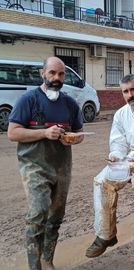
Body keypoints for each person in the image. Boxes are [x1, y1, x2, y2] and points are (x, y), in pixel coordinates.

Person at [7, 57, 84, 270]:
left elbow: (79, 133)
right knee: (38, 211)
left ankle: (47, 259)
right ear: (43, 73)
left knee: (56, 215)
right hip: (34, 166)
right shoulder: (28, 100)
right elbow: (12, 133)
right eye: (52, 73)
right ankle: (35, 265)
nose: (56, 78)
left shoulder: (69, 103)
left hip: (62, 166)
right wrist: (44, 132)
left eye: (61, 74)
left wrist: (74, 138)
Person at [85, 74, 134, 264]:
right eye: (126, 91)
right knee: (101, 180)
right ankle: (106, 234)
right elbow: (118, 143)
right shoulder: (121, 114)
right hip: (128, 159)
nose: (130, 95)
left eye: (133, 90)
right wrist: (116, 157)